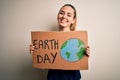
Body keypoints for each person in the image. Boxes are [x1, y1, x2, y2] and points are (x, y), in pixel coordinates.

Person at [30, 4, 90, 80]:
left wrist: (85, 54)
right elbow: (45, 65)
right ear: (58, 16)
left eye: (69, 15)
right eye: (61, 13)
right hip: (53, 77)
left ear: (73, 20)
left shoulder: (78, 40)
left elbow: (79, 60)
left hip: (72, 78)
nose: (64, 16)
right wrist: (36, 51)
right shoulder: (47, 39)